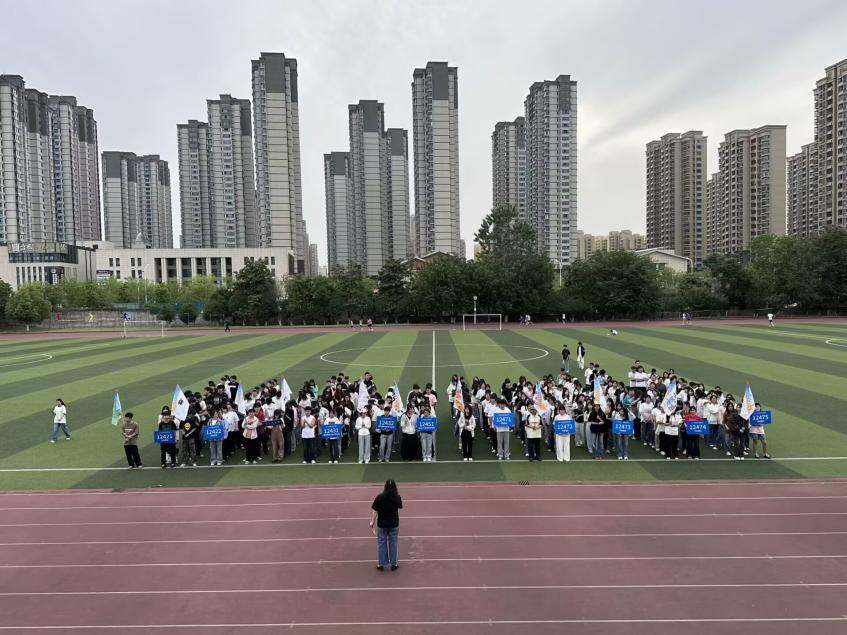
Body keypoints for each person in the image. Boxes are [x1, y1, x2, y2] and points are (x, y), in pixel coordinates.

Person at [370, 479, 403, 571]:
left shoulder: (380, 497)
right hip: (394, 524)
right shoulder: (397, 497)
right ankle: (394, 564)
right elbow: (399, 508)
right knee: (393, 543)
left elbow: (375, 511)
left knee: (381, 544)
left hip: (382, 524)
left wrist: (372, 522)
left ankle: (381, 564)